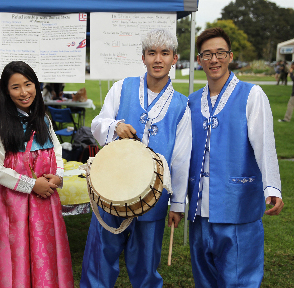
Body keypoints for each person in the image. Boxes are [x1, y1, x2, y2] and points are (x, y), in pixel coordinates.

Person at [81, 29, 191, 288]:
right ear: (143, 57)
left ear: (174, 58)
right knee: (100, 257)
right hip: (112, 186)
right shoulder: (122, 88)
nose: (158, 59)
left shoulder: (181, 105)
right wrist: (115, 126)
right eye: (152, 53)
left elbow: (181, 157)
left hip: (154, 195)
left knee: (145, 263)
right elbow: (97, 124)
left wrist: (177, 204)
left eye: (165, 53)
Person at [187, 27, 284, 288]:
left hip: (237, 206)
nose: (214, 60)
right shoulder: (192, 102)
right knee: (204, 280)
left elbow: (265, 143)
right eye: (207, 54)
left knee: (239, 280)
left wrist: (272, 186)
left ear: (230, 56)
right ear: (199, 60)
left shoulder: (251, 95)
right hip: (199, 211)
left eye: (220, 53)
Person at [0, 61, 74, 288]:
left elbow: (56, 151)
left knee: (43, 252)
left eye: (28, 84)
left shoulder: (43, 119)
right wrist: (31, 185)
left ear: (36, 86)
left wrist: (58, 176)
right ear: (6, 91)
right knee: (14, 256)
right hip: (10, 205)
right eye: (15, 87)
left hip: (43, 203)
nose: (24, 92)